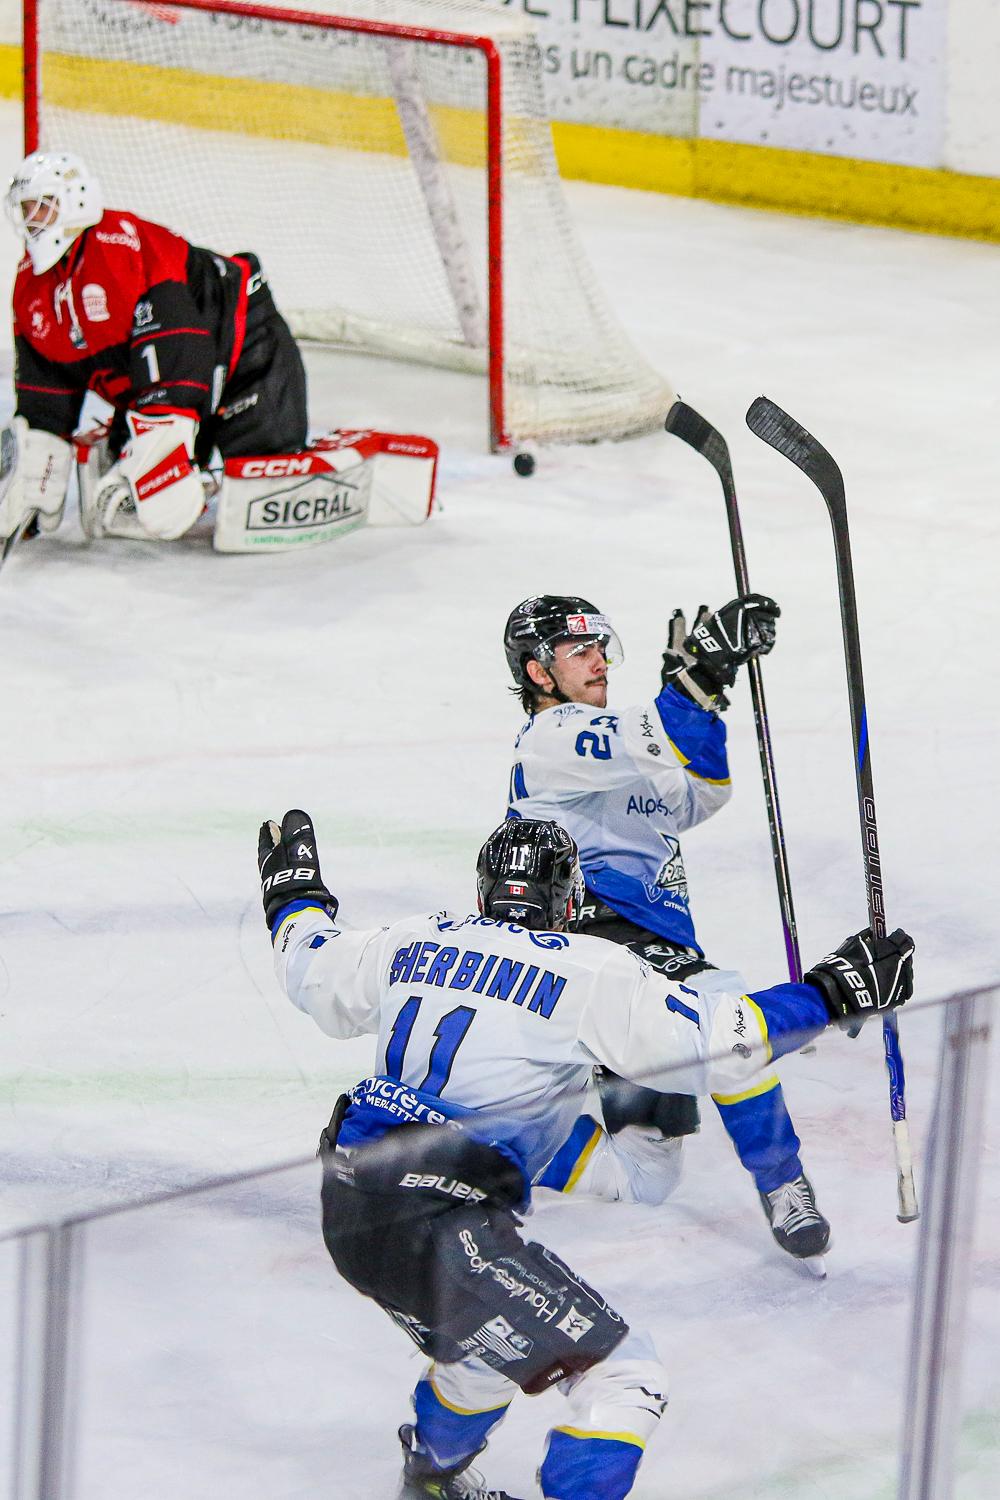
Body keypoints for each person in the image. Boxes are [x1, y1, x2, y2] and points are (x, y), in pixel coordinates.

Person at [258, 809, 914, 1500]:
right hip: (441, 1220)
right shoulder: (587, 969)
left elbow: (311, 963)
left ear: (484, 893)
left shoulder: (411, 938)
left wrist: (291, 888)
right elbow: (727, 1044)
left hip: (350, 1202)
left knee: (481, 1352)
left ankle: (430, 1481)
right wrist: (833, 990)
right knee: (624, 1378)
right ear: (569, 901)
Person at [503, 594, 831, 1263]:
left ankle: (499, 1134)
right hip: (588, 940)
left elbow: (701, 793)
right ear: (540, 672)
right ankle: (781, 1181)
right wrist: (700, 676)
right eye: (579, 652)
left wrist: (704, 698)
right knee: (729, 1021)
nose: (597, 661)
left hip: (652, 946)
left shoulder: (622, 735)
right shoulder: (552, 736)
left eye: (601, 647)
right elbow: (645, 734)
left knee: (648, 1178)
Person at [1, 149, 307, 545]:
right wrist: (34, 481)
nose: (31, 222)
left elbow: (174, 361)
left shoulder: (124, 250)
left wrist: (162, 462)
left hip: (245, 354)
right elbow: (45, 395)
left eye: (41, 208)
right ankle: (185, 468)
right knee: (120, 514)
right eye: (24, 210)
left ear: (75, 202)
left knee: (252, 494)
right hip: (165, 382)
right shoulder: (32, 286)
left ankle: (222, 465)